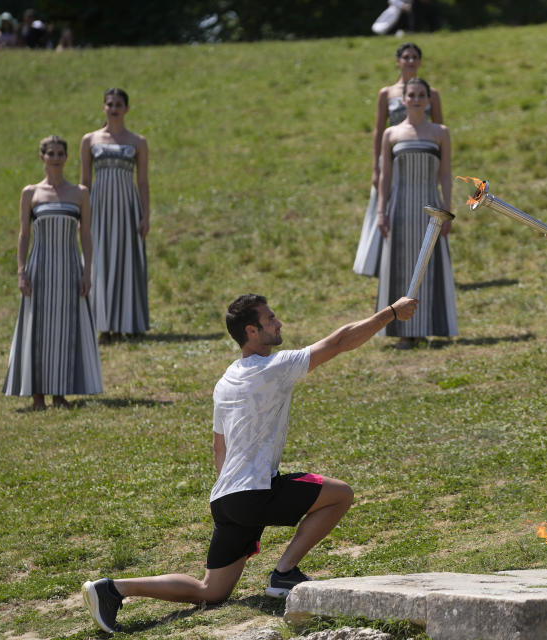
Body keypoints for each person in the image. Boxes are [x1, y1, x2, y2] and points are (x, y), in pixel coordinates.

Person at [82, 293, 419, 633]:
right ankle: (285, 573)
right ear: (252, 331)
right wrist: (390, 313)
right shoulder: (274, 368)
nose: (279, 323)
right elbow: (340, 341)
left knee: (211, 591)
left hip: (225, 499)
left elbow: (219, 451)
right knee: (341, 494)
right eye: (271, 319)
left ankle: (113, 588)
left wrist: (240, 501)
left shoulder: (225, 381)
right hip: (252, 493)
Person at [3, 136, 103, 410]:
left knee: (66, 328)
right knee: (37, 329)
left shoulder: (80, 192)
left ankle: (60, 394)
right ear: (42, 157)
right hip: (40, 268)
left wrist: (87, 271)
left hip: (70, 267)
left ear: (66, 157)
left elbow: (86, 235)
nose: (56, 158)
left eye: (60, 153)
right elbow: (24, 235)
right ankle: (37, 396)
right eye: (51, 153)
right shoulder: (30, 193)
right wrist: (21, 271)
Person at [376, 77, 456, 347]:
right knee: (400, 266)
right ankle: (403, 334)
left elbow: (445, 173)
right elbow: (386, 177)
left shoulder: (440, 132)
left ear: (428, 99)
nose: (417, 99)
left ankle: (426, 327)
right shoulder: (392, 134)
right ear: (404, 99)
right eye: (412, 94)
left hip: (431, 207)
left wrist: (448, 207)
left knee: (429, 266)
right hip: (399, 207)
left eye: (422, 94)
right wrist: (380, 212)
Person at [353, 42, 444, 277]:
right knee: (386, 210)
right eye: (406, 57)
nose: (411, 61)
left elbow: (439, 127)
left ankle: (421, 262)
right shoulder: (386, 93)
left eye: (415, 57)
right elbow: (378, 129)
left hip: (421, 159)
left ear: (420, 61)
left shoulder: (430, 94)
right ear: (398, 61)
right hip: (393, 157)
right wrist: (375, 165)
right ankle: (381, 263)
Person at [80, 88, 150, 343]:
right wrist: (81, 214)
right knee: (99, 260)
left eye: (119, 104)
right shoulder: (90, 140)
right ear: (104, 108)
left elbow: (142, 182)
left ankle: (124, 323)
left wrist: (146, 215)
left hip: (127, 206)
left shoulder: (137, 141)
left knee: (124, 260)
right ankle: (102, 324)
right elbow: (85, 181)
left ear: (127, 109)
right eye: (110, 104)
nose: (114, 108)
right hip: (99, 206)